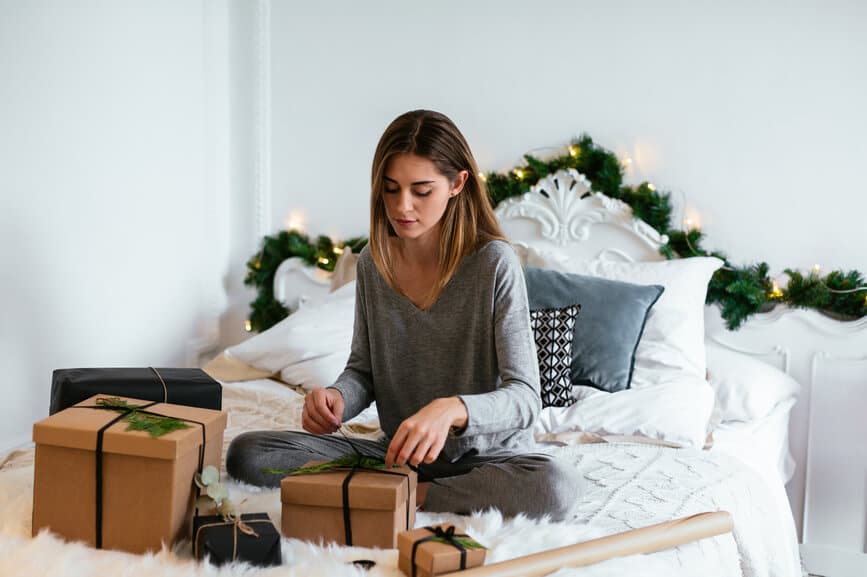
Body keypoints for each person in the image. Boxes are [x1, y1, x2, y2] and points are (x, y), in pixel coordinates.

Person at [227, 109, 581, 521]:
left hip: (486, 460)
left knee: (555, 487)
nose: (402, 206)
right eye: (391, 189)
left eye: (421, 190)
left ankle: (415, 494)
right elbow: (363, 372)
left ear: (456, 184)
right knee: (248, 454)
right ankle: (401, 486)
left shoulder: (493, 263)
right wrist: (337, 399)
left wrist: (451, 410)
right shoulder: (373, 264)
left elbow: (524, 398)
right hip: (398, 456)